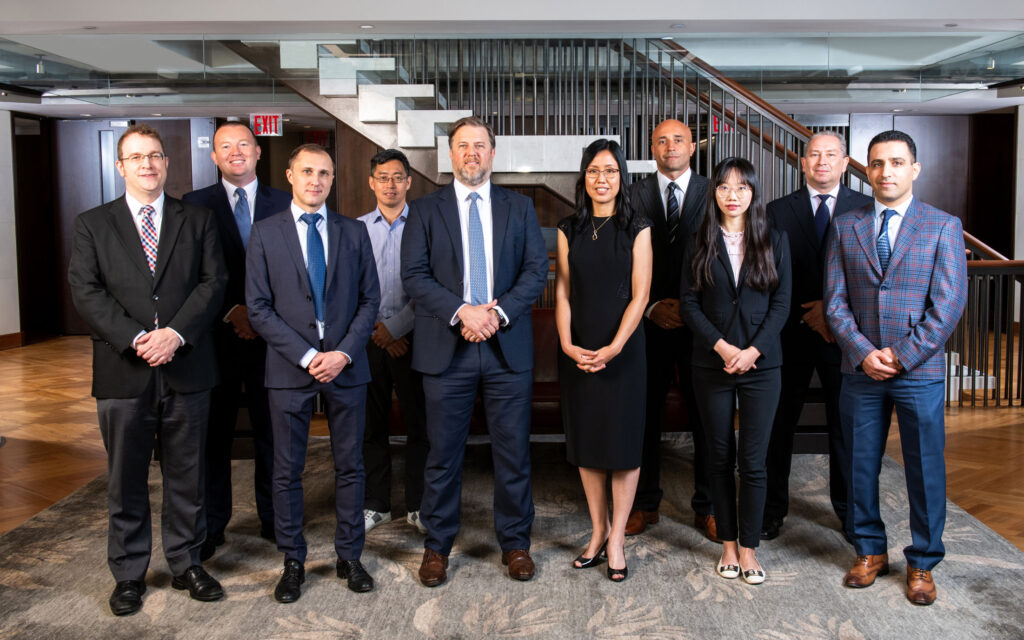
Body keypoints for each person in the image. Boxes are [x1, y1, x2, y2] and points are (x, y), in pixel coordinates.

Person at [68, 124, 228, 616]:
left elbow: (214, 282)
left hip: (187, 365)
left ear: (166, 163)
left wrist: (174, 334)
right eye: (136, 157)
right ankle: (128, 573)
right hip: (123, 369)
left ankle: (186, 562)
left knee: (188, 475)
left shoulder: (197, 220)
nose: (147, 164)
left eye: (155, 155)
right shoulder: (93, 224)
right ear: (120, 166)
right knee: (126, 478)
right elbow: (86, 290)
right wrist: (138, 338)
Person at [401, 116, 548, 587]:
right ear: (451, 154)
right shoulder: (425, 210)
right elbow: (414, 275)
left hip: (507, 349)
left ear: (492, 153)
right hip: (447, 348)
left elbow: (536, 271)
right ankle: (437, 546)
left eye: (480, 145)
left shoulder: (519, 207)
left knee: (513, 453)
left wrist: (495, 315)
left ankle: (516, 543)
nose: (471, 153)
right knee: (442, 455)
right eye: (463, 145)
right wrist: (464, 311)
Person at [825, 130, 967, 606]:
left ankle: (923, 561)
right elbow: (835, 301)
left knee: (925, 470)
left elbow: (948, 306)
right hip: (860, 369)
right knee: (858, 465)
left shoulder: (943, 226)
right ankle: (869, 550)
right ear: (867, 170)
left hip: (918, 373)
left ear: (914, 169)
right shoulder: (846, 226)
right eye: (877, 163)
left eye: (897, 162)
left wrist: (902, 355)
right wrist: (863, 352)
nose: (886, 172)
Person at [245, 143, 381, 602]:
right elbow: (258, 308)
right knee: (286, 470)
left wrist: (342, 353)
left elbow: (370, 301)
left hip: (347, 366)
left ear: (333, 179)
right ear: (290, 175)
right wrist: (306, 356)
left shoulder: (353, 231)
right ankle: (293, 560)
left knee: (351, 466)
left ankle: (350, 556)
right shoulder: (265, 233)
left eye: (324, 173)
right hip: (289, 368)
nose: (316, 180)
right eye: (307, 171)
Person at [183, 121, 292, 560]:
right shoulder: (193, 205)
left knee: (273, 434)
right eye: (225, 146)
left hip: (273, 340)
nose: (235, 152)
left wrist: (261, 315)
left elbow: (293, 268)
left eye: (243, 144)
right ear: (214, 156)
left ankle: (274, 518)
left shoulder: (285, 201)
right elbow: (190, 273)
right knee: (215, 437)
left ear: (258, 151)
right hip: (216, 337)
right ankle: (212, 524)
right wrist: (232, 310)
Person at [679, 157, 791, 585]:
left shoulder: (774, 239)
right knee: (719, 456)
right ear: (714, 193)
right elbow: (689, 303)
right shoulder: (699, 240)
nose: (732, 195)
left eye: (742, 187)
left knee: (754, 461)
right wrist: (724, 347)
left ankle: (749, 548)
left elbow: (782, 303)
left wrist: (753, 350)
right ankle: (727, 543)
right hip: (712, 362)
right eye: (724, 187)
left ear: (753, 193)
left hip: (762, 365)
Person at [762, 131, 872, 541]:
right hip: (788, 333)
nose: (822, 161)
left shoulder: (865, 208)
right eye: (814, 154)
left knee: (846, 428)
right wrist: (808, 313)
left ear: (845, 163)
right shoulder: (776, 210)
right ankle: (770, 510)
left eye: (831, 155)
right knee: (777, 426)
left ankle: (849, 512)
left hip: (845, 338)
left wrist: (832, 311)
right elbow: (766, 274)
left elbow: (872, 274)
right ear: (802, 162)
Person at [556, 139, 652, 582]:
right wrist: (566, 343)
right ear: (584, 177)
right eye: (594, 171)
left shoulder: (638, 227)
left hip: (624, 350)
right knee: (588, 445)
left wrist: (614, 348)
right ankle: (598, 532)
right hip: (578, 350)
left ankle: (617, 540)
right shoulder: (569, 227)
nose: (602, 179)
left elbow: (641, 296)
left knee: (623, 447)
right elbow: (563, 291)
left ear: (622, 177)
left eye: (610, 170)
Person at [628, 119, 717, 541]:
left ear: (692, 146)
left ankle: (708, 507)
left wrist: (693, 307)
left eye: (678, 139)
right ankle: (644, 503)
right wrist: (649, 307)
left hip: (702, 325)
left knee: (707, 417)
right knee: (643, 416)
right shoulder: (633, 194)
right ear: (652, 148)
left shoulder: (715, 192)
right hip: (647, 323)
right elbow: (621, 260)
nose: (670, 147)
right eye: (661, 141)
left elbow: (724, 256)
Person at [357, 149, 429, 535]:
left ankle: (418, 505)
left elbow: (432, 285)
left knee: (421, 425)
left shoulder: (425, 226)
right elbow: (348, 288)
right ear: (371, 182)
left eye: (398, 177)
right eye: (383, 177)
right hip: (368, 340)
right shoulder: (355, 229)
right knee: (371, 426)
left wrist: (397, 329)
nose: (390, 184)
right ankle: (376, 504)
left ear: (409, 182)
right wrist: (380, 333)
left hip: (415, 339)